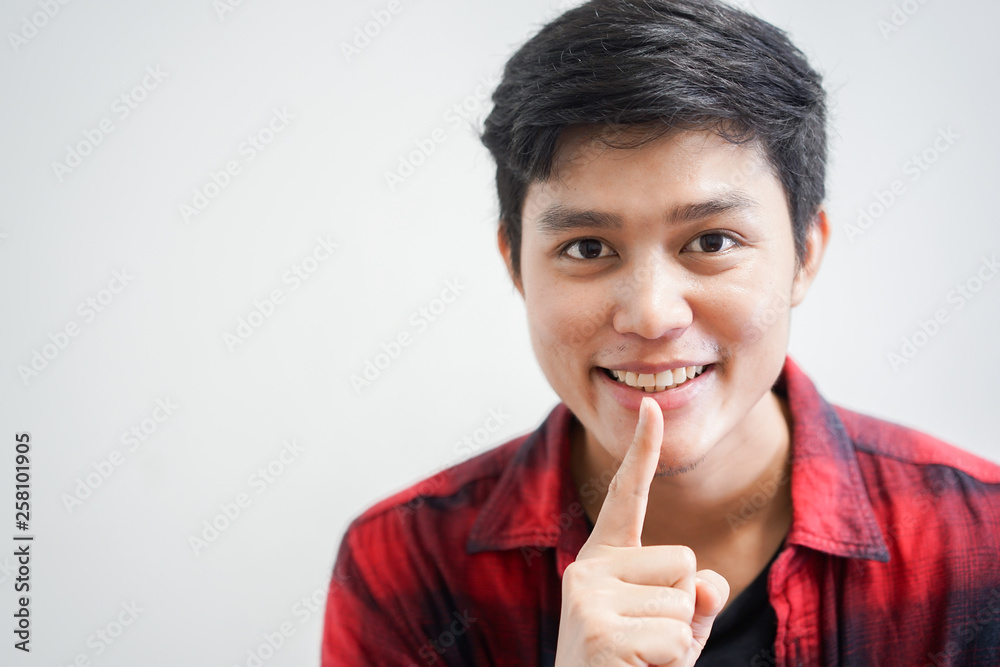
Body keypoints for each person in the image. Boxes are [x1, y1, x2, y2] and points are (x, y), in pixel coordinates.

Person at [322, 0, 1000, 664]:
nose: (650, 316)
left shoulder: (979, 541)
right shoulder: (404, 564)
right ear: (516, 265)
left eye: (711, 239)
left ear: (806, 254)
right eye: (588, 248)